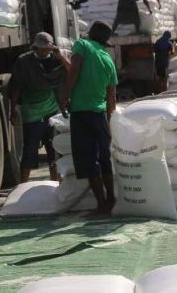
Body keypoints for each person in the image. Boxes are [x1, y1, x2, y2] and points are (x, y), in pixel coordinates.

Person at [61, 21, 118, 214]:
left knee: (88, 160)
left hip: (81, 113)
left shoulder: (82, 45)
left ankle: (101, 204)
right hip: (100, 115)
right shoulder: (108, 60)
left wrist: (64, 96)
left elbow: (74, 69)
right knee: (104, 158)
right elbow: (111, 97)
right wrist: (109, 123)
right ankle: (111, 199)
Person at [9, 32, 70, 182]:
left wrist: (61, 57)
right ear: (35, 47)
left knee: (53, 149)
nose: (44, 51)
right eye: (41, 49)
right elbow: (15, 86)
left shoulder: (55, 61)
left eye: (47, 49)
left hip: (51, 109)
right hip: (31, 111)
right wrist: (12, 109)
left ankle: (55, 183)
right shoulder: (24, 61)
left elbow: (71, 72)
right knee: (30, 150)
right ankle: (23, 184)